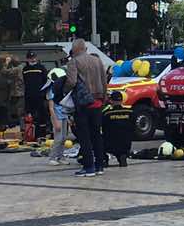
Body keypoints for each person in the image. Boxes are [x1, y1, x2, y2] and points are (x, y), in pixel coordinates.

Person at [66, 40, 108, 177]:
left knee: (84, 136)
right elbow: (104, 80)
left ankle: (88, 166)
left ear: (75, 49)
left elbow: (71, 82)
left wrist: (65, 91)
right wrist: (104, 98)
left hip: (83, 104)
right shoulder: (97, 60)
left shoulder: (74, 62)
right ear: (85, 48)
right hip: (97, 102)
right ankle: (100, 165)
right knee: (97, 134)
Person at [45, 66, 72, 165]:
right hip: (57, 117)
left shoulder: (61, 89)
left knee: (64, 137)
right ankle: (52, 157)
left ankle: (60, 156)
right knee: (58, 138)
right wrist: (55, 121)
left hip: (64, 116)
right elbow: (51, 108)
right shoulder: (51, 91)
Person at [102, 89, 133, 168]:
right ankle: (122, 156)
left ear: (111, 101)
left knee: (98, 139)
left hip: (110, 143)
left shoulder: (107, 113)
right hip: (125, 144)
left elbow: (101, 125)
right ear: (122, 100)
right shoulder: (129, 112)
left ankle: (104, 160)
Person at [22, 52, 49, 137]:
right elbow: (23, 82)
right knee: (31, 116)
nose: (33, 59)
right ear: (27, 59)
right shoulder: (25, 69)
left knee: (42, 115)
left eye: (34, 57)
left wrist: (44, 93)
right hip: (29, 96)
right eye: (31, 58)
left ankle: (42, 135)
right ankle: (32, 135)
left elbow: (46, 81)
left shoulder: (41, 68)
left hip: (40, 96)